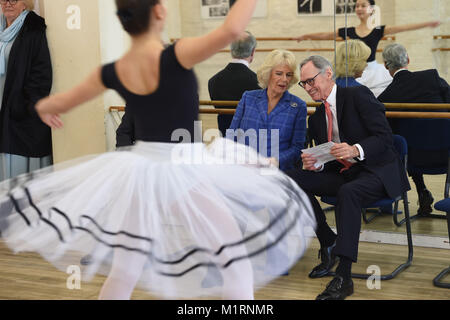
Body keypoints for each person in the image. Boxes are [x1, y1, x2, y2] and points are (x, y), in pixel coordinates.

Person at [0, 0, 316, 300]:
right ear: (160, 13)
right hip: (183, 169)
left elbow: (59, 102)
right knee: (235, 263)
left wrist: (47, 108)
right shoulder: (176, 55)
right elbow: (233, 30)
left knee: (125, 270)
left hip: (142, 170)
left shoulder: (115, 69)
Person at [286, 55, 410, 300]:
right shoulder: (317, 118)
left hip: (378, 171)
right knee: (291, 178)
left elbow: (385, 138)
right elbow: (330, 159)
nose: (309, 88)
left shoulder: (357, 96)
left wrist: (356, 149)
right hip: (347, 173)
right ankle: (327, 238)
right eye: (304, 84)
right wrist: (317, 164)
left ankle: (343, 276)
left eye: (311, 81)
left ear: (328, 74)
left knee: (348, 192)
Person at [295, 0, 441, 97]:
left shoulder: (377, 29)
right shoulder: (349, 31)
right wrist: (305, 35)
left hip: (373, 70)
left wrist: (427, 24)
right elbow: (325, 34)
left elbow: (403, 28)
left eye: (363, 5)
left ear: (371, 9)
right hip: (355, 71)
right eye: (357, 6)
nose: (359, 8)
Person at [378, 43, 450, 215]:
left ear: (386, 65)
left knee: (406, 140)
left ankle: (422, 190)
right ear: (408, 60)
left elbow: (389, 133)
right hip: (447, 154)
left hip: (413, 159)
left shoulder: (386, 98)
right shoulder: (431, 77)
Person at [228, 49, 307, 172]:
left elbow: (297, 148)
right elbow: (232, 135)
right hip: (245, 168)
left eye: (289, 74)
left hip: (277, 171)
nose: (285, 79)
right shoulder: (248, 98)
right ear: (268, 73)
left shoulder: (298, 106)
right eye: (279, 73)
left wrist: (276, 160)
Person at [0, 0, 52, 181]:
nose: (8, 3)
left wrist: (23, 106)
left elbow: (41, 73)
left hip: (18, 110)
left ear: (25, 3)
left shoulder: (33, 29)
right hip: (2, 104)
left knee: (17, 170)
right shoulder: (0, 28)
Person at [208, 31, 260, 137]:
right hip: (252, 141)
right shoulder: (259, 83)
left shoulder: (213, 81)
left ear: (231, 51)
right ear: (252, 52)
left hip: (226, 138)